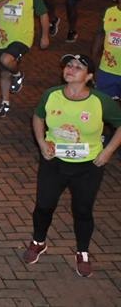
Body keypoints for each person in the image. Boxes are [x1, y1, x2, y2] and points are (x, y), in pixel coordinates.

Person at [22, 53, 121, 278]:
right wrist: (41, 143)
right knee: (44, 205)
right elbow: (38, 117)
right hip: (54, 162)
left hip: (87, 167)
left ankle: (83, 252)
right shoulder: (51, 95)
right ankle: (38, 241)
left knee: (83, 210)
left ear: (89, 77)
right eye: (69, 65)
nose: (71, 69)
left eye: (78, 67)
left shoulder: (100, 101)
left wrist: (108, 152)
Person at [0, 0, 49, 117]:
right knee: (4, 73)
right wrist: (5, 1)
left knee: (6, 60)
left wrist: (44, 36)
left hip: (23, 38)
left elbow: (43, 14)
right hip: (3, 39)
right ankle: (5, 103)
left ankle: (18, 75)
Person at [91, 0, 121, 100]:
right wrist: (93, 66)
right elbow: (99, 36)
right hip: (107, 71)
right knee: (104, 109)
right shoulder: (109, 12)